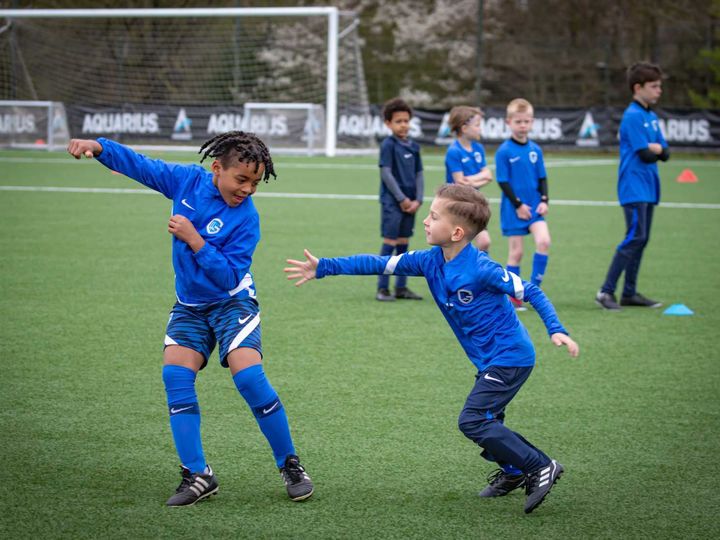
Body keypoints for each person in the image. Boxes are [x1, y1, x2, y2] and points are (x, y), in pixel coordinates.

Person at [285, 184, 579, 514]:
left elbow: (532, 292)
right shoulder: (429, 261)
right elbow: (380, 264)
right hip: (488, 360)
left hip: (510, 358)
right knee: (489, 420)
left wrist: (557, 330)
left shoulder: (482, 269)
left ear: (456, 232)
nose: (425, 221)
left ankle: (539, 465)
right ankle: (512, 471)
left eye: (433, 216)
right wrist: (324, 267)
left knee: (472, 421)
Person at [67, 132, 313, 507]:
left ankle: (290, 463)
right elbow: (142, 167)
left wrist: (195, 239)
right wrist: (100, 147)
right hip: (190, 305)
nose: (247, 189)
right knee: (175, 376)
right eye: (241, 179)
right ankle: (197, 474)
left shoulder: (247, 219)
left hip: (233, 303)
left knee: (248, 376)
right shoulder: (186, 182)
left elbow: (230, 277)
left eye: (255, 183)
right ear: (217, 168)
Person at [596, 62, 670, 310]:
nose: (659, 90)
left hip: (649, 187)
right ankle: (606, 292)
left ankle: (629, 293)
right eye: (654, 86)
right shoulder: (633, 116)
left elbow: (666, 152)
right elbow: (646, 154)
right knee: (634, 237)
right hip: (633, 186)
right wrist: (656, 149)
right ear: (638, 88)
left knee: (642, 239)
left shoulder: (651, 115)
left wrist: (658, 149)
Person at [495, 98, 551, 311]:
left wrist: (544, 201)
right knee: (516, 253)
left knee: (544, 242)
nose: (523, 126)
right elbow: (502, 181)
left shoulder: (535, 149)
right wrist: (518, 205)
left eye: (526, 121)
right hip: (513, 208)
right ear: (509, 122)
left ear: (532, 122)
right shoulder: (504, 151)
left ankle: (534, 291)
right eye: (518, 121)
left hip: (535, 206)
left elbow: (542, 178)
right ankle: (513, 296)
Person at [375, 97, 425, 302]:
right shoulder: (388, 145)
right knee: (390, 244)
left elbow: (419, 173)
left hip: (411, 203)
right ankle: (382, 288)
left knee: (404, 245)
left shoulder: (414, 146)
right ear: (388, 124)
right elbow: (386, 174)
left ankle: (401, 287)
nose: (404, 125)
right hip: (393, 203)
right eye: (398, 121)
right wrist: (402, 199)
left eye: (406, 120)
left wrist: (418, 199)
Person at [444, 105, 493, 252]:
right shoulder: (454, 151)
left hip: (474, 203)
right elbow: (459, 182)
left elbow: (489, 176)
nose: (480, 129)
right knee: (460, 247)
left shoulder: (478, 148)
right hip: (457, 204)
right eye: (477, 125)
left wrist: (470, 181)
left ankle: (482, 273)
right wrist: (478, 178)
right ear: (464, 128)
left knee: (484, 242)